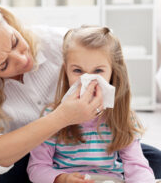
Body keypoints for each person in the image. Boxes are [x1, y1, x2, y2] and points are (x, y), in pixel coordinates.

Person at [0, 0, 160, 183]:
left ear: (8, 22)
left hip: (90, 146)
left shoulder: (60, 43)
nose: (23, 60)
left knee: (152, 161)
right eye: (4, 65)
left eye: (14, 41)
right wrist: (61, 118)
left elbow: (107, 57)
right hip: (25, 156)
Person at [27, 26, 155, 183]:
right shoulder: (52, 116)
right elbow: (37, 167)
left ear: (113, 72)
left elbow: (137, 166)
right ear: (65, 71)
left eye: (98, 70)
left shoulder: (121, 117)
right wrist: (62, 178)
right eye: (78, 71)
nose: (87, 80)